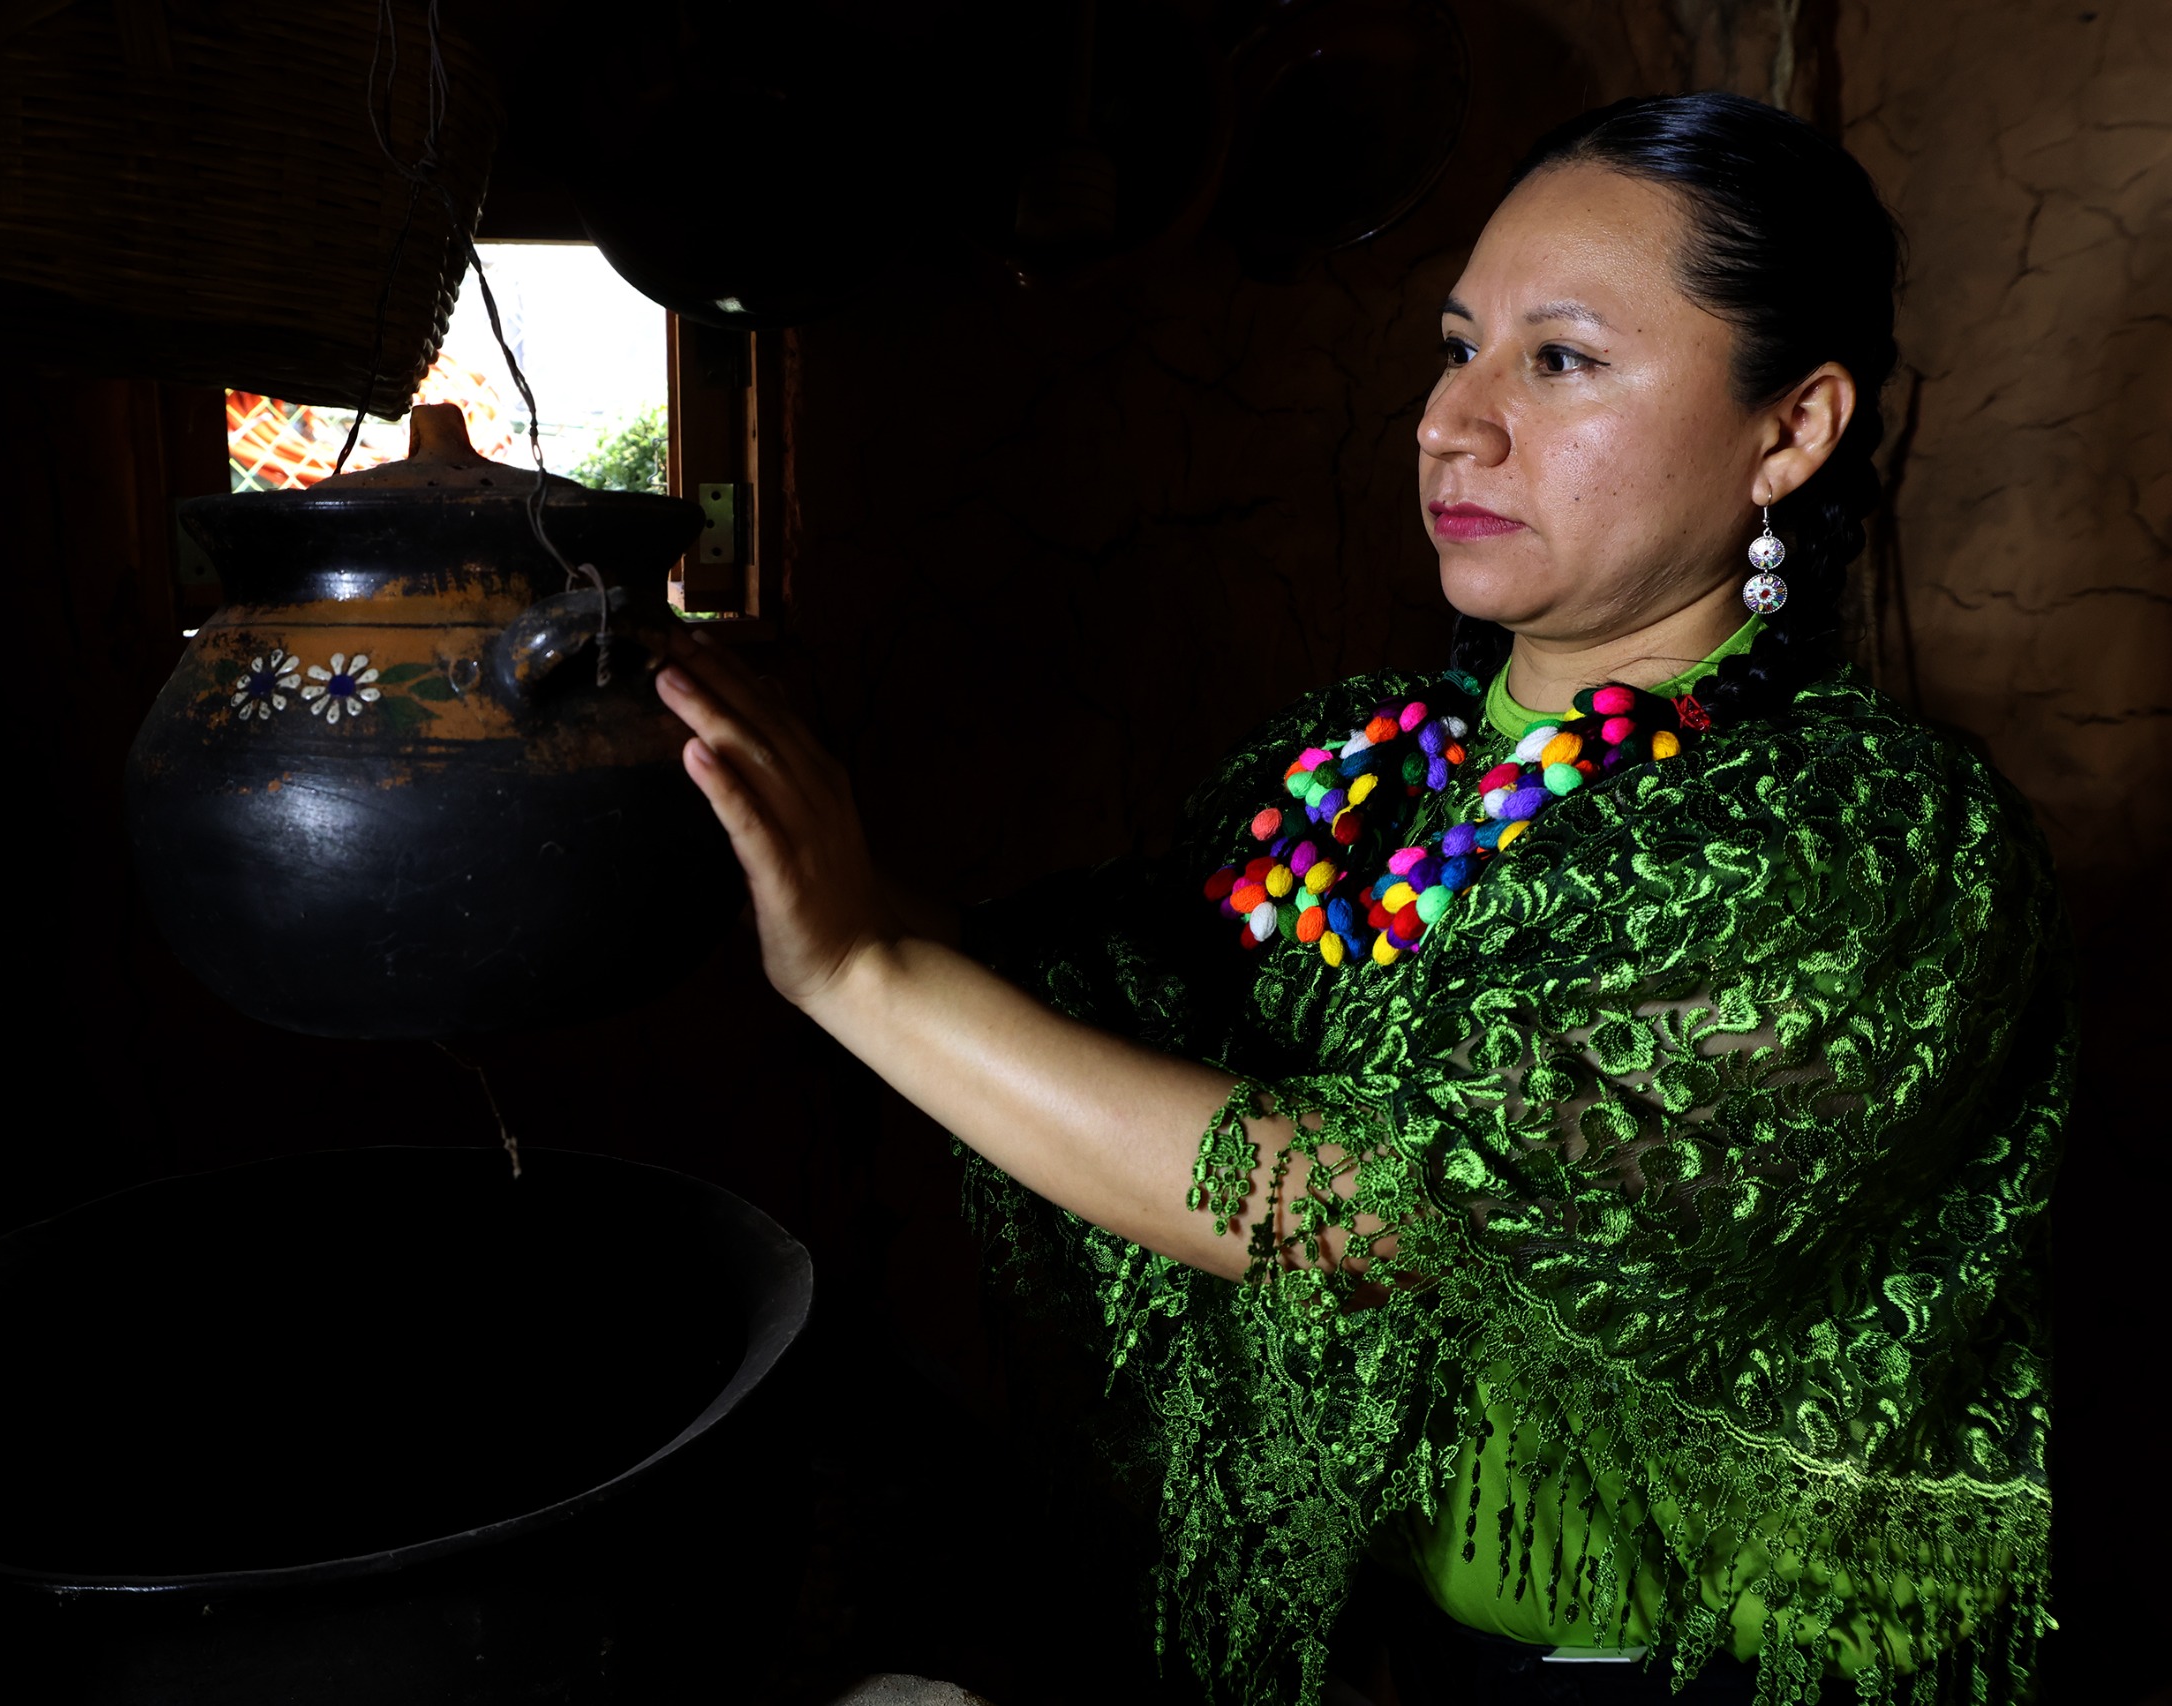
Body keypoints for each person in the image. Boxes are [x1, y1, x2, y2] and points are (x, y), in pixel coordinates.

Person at [655, 93, 2062, 1706]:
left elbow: (1387, 1206)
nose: (1450, 421)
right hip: (1383, 1644)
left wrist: (859, 969)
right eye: (1458, 347)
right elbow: (1088, 1004)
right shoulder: (1357, 769)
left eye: (1560, 359)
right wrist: (751, 830)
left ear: (1791, 429)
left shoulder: (1871, 844)